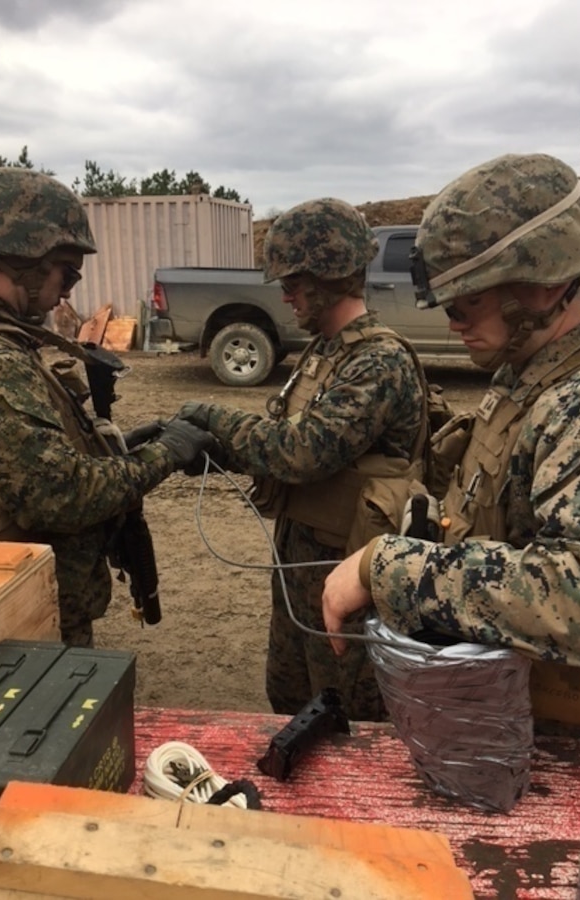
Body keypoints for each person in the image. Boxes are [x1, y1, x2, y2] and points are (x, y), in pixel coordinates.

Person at [322, 153, 580, 737]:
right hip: (501, 713)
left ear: (538, 285)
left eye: (467, 304)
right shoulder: (528, 374)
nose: (454, 325)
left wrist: (386, 569)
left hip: (560, 752)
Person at [178, 198, 428, 721]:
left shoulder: (378, 360)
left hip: (347, 566)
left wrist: (214, 419)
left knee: (349, 719)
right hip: (300, 556)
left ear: (330, 277)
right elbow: (281, 437)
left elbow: (302, 451)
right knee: (290, 699)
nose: (285, 295)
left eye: (293, 282)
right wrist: (208, 450)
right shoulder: (325, 350)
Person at [0, 167, 218, 647]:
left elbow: (37, 459)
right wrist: (166, 454)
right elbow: (60, 495)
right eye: (68, 270)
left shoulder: (2, 346)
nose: (70, 289)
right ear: (29, 259)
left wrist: (118, 448)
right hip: (23, 625)